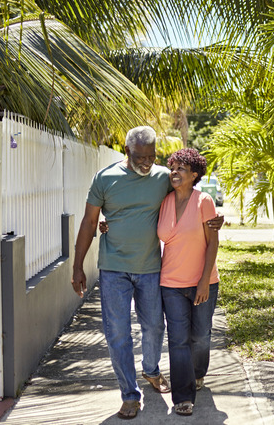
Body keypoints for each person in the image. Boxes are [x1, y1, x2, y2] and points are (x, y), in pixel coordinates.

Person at [71, 126, 223, 420]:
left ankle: (151, 370)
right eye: (140, 157)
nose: (146, 163)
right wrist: (78, 266)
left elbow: (190, 193)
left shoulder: (162, 179)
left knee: (154, 327)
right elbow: (90, 222)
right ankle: (130, 395)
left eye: (152, 157)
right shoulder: (104, 178)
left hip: (152, 269)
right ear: (127, 152)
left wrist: (216, 219)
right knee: (117, 333)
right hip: (113, 268)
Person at [158, 148, 220, 416]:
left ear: (194, 175)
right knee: (178, 340)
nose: (174, 172)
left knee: (201, 336)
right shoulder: (163, 201)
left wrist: (204, 281)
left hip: (202, 281)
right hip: (170, 282)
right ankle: (183, 395)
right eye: (172, 167)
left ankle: (197, 373)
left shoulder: (203, 200)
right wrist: (108, 225)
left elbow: (213, 242)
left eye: (181, 169)